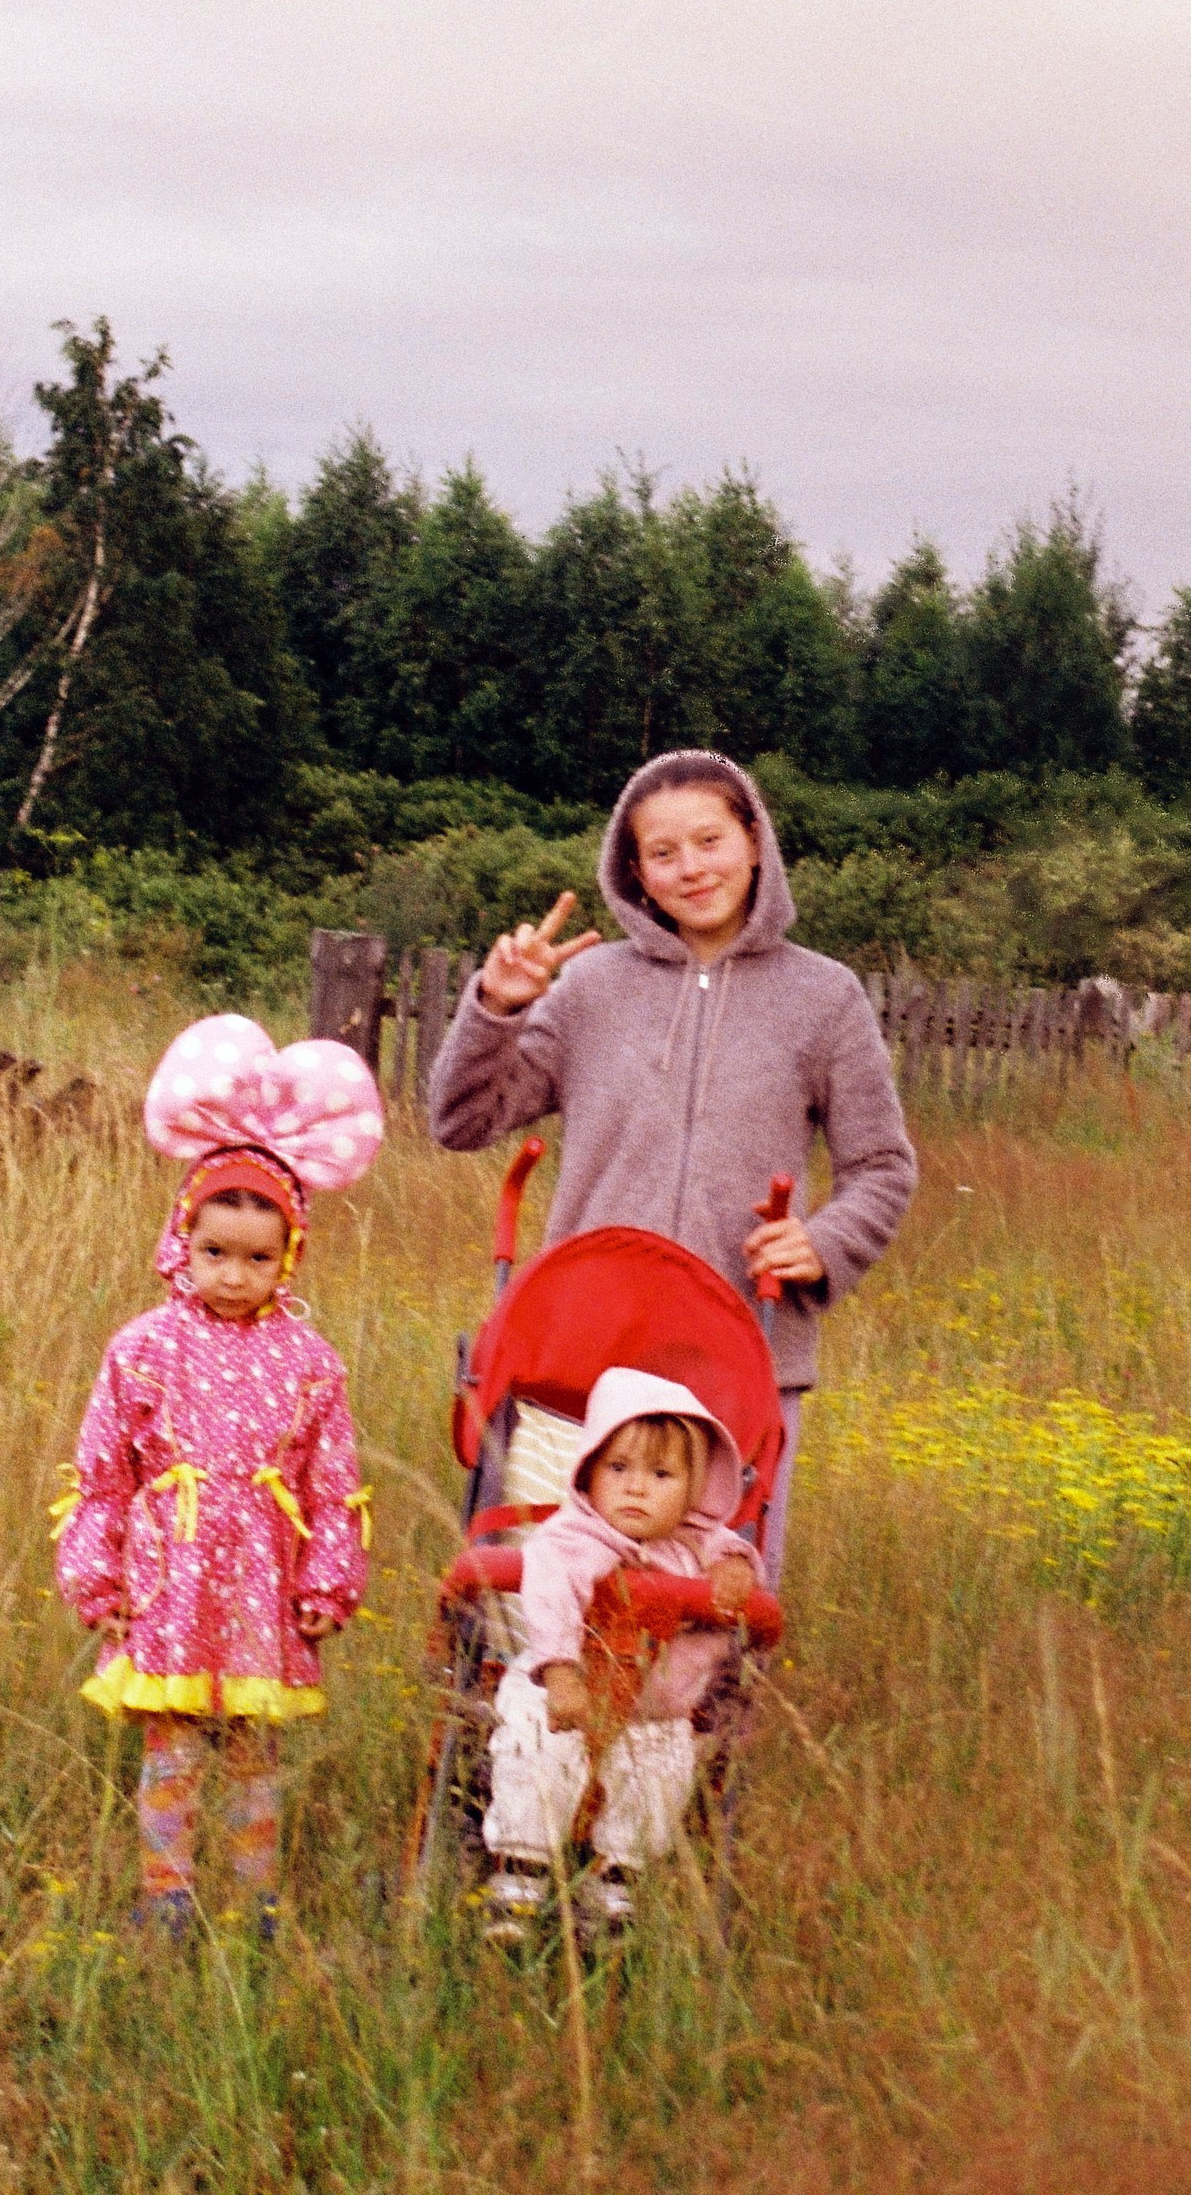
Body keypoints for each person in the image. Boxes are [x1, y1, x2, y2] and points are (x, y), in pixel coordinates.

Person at [428, 749, 917, 1589]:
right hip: (581, 1353)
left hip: (741, 1354)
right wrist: (498, 1007)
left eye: (710, 839)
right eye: (664, 852)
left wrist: (825, 1242)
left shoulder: (825, 998)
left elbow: (881, 1166)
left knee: (713, 1605)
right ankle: (526, 1721)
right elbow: (461, 1118)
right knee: (549, 1595)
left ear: (755, 842)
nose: (691, 867)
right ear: (635, 874)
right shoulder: (587, 988)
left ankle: (705, 1727)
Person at [53, 1014, 383, 1940]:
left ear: (290, 1254)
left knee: (255, 1753)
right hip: (170, 1582)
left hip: (261, 1592)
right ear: (181, 1240)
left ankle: (255, 1901)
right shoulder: (144, 1346)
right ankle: (167, 1897)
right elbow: (102, 1473)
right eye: (214, 1252)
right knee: (172, 1750)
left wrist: (329, 1579)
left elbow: (333, 1482)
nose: (234, 1275)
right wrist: (99, 1577)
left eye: (257, 1256)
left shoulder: (309, 1358)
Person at [483, 1367, 763, 1943]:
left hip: (655, 1709)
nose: (637, 1488)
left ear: (694, 1489)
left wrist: (736, 1570)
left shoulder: (698, 1543)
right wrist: (561, 1669)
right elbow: (552, 1591)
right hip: (564, 1691)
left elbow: (733, 1552)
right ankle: (521, 1874)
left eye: (661, 1475)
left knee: (659, 1773)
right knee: (540, 1755)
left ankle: (617, 1884)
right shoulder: (575, 1538)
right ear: (589, 1471)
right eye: (619, 1469)